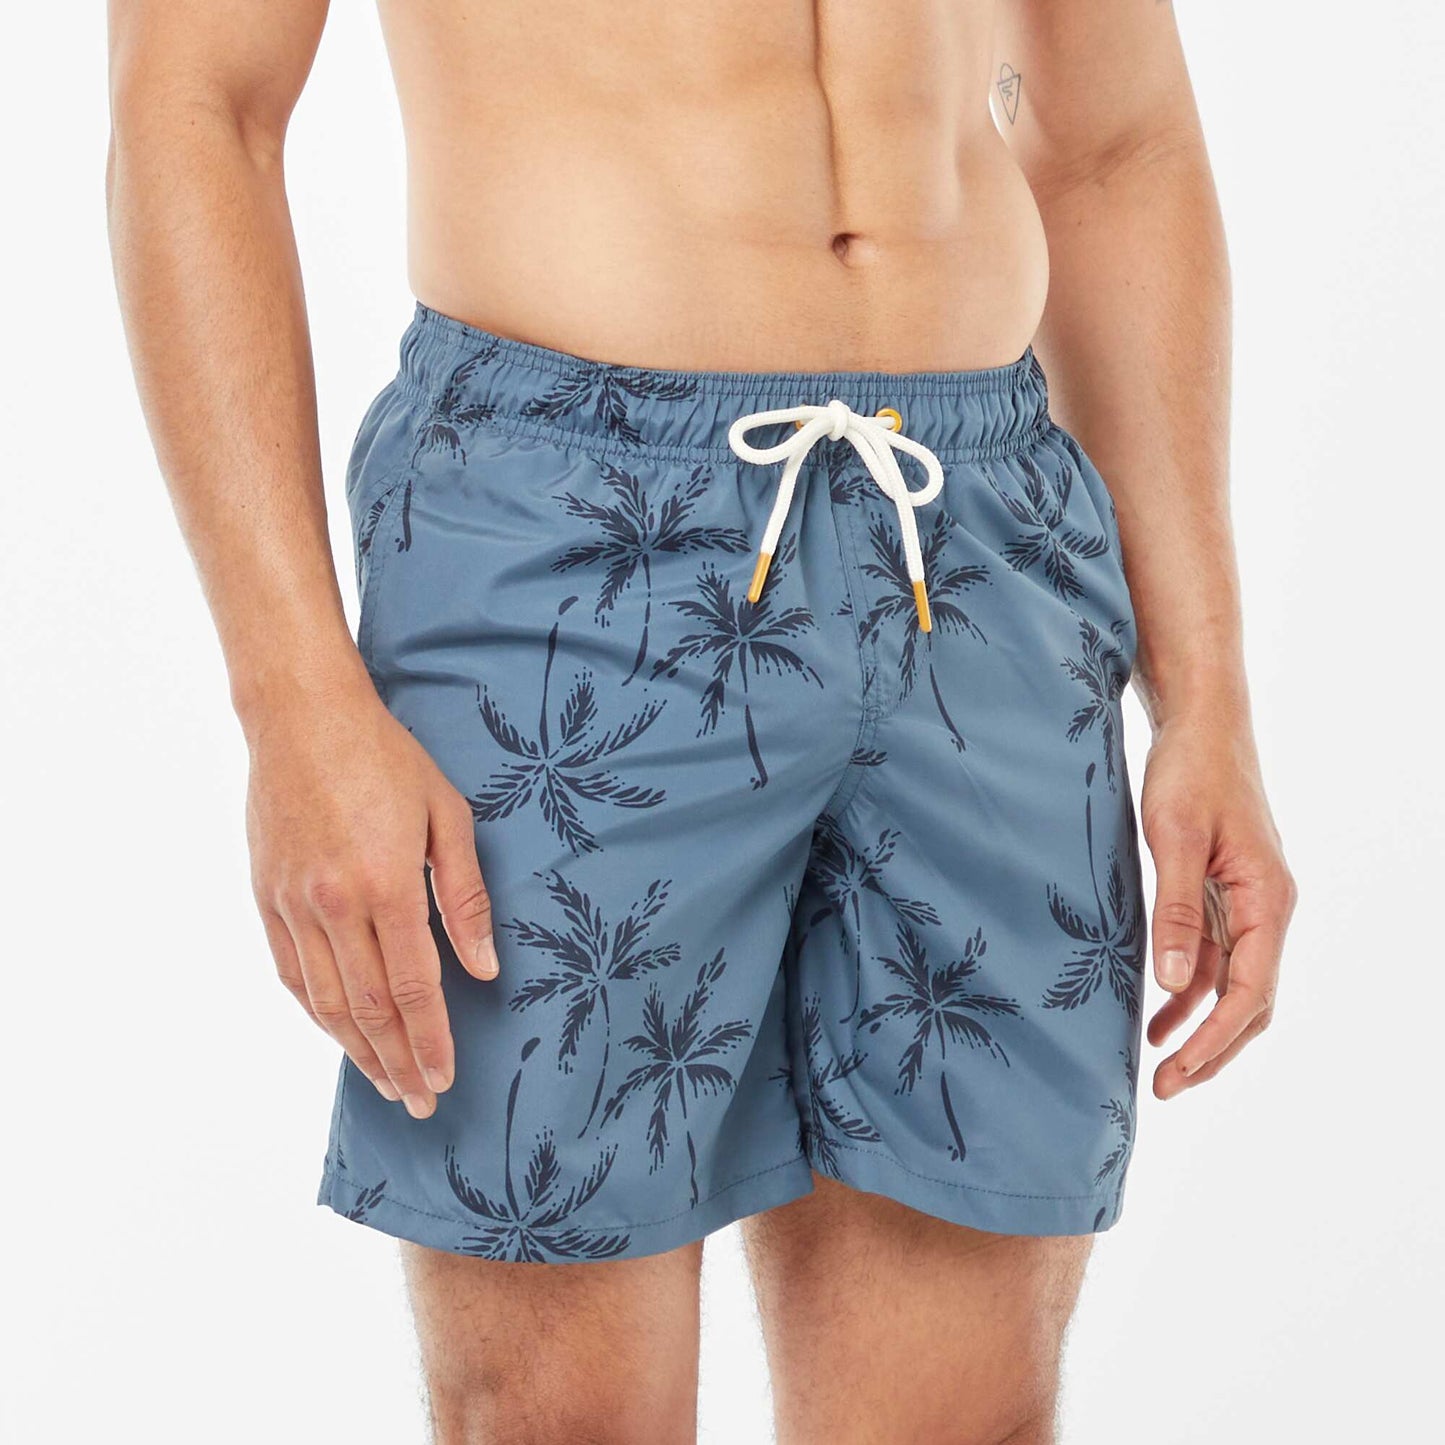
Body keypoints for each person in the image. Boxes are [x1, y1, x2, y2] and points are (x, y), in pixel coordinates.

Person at [107, 2, 1296, 1440]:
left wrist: (1207, 693)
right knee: (559, 1416)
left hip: (975, 537)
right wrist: (290, 698)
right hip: (570, 536)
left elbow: (1114, 147)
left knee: (965, 1416)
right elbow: (199, 103)